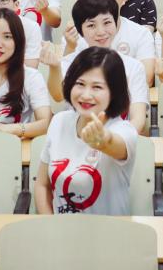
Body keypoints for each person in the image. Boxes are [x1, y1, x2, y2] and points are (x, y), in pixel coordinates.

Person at [35, 47, 138, 215]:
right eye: (80, 84)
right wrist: (50, 224)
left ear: (114, 92)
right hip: (61, 229)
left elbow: (114, 144)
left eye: (97, 87)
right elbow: (42, 185)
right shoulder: (59, 121)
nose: (86, 95)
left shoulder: (124, 130)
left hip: (108, 230)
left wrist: (104, 141)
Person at [45, 0, 150, 134]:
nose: (101, 32)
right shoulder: (69, 62)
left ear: (116, 23)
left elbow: (138, 119)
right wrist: (54, 67)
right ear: (80, 30)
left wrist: (116, 140)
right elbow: (58, 95)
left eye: (107, 23)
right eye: (91, 25)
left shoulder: (133, 66)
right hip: (76, 135)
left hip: (117, 139)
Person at [0, 8, 53, 138]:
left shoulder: (30, 77)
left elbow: (45, 123)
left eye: (7, 37)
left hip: (16, 146)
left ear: (18, 41)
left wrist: (9, 129)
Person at [76, 0, 156, 83]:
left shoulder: (141, 33)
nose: (105, 0)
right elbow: (69, 78)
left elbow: (146, 78)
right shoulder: (77, 34)